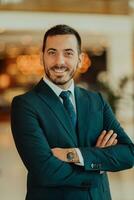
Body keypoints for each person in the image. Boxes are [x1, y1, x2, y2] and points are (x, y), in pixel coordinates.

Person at [11, 24, 134, 200]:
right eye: (52, 52)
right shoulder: (25, 105)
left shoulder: (96, 100)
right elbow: (45, 170)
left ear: (80, 59)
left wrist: (74, 155)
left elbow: (128, 154)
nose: (59, 62)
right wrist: (98, 166)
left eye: (68, 53)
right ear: (41, 57)